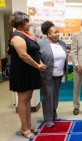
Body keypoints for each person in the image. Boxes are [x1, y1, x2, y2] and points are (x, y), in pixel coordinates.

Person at [9, 11, 46, 139]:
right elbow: (23, 55)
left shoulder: (27, 35)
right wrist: (37, 65)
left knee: (28, 98)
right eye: (27, 21)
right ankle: (24, 128)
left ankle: (29, 125)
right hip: (22, 71)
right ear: (20, 22)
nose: (29, 23)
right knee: (23, 99)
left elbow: (35, 52)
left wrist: (40, 63)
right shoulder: (17, 36)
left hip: (30, 70)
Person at [37, 21, 68, 127]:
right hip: (47, 74)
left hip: (59, 74)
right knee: (48, 96)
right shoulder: (41, 43)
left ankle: (54, 115)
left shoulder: (62, 43)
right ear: (49, 34)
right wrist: (40, 64)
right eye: (55, 32)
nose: (58, 34)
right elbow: (35, 56)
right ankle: (48, 118)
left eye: (58, 32)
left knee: (55, 96)